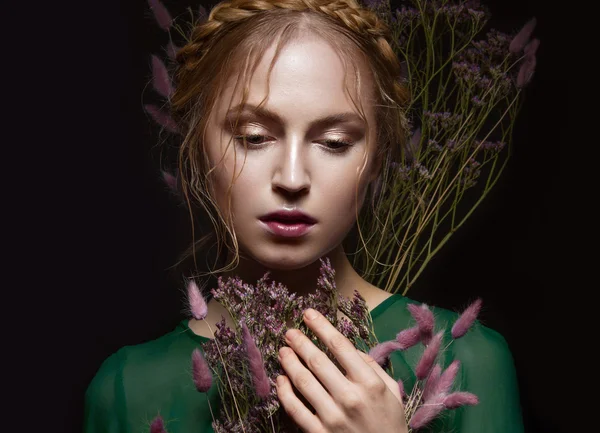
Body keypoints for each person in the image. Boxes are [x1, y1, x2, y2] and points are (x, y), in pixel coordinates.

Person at [83, 0, 525, 432]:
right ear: (198, 148)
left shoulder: (466, 359)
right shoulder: (126, 389)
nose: (292, 178)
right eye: (254, 137)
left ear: (377, 157)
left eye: (334, 142)